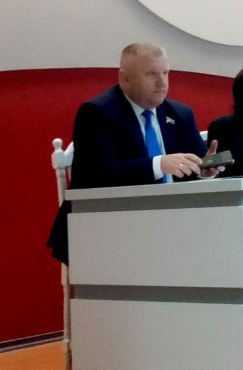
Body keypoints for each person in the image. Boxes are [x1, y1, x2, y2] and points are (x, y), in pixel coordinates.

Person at [47, 42, 220, 264]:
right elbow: (99, 173)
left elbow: (195, 161)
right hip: (104, 227)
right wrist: (158, 165)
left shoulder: (180, 113)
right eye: (151, 74)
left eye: (166, 73)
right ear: (125, 78)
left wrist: (205, 169)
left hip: (171, 225)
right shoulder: (97, 112)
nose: (162, 83)